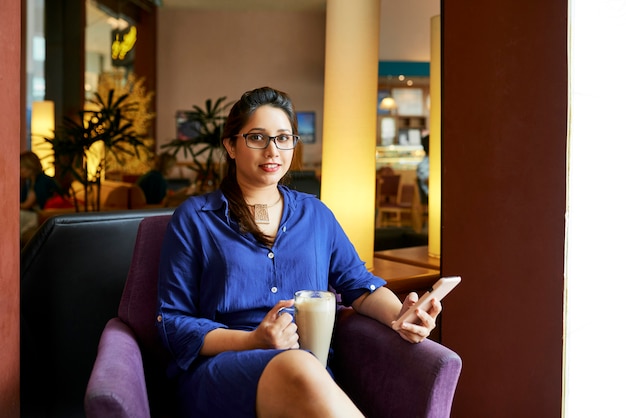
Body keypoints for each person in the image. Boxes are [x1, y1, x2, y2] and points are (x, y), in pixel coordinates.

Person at [156, 87, 442, 417]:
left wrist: (400, 317)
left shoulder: (316, 215)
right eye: (257, 138)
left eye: (283, 138)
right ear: (230, 145)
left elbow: (360, 286)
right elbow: (172, 324)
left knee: (301, 365)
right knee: (298, 364)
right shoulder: (195, 218)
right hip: (223, 373)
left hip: (309, 372)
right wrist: (253, 341)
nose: (272, 150)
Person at [20, 150, 61, 240]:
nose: (20, 170)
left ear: (30, 166)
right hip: (36, 215)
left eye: (21, 167)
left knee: (19, 215)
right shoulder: (28, 182)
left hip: (44, 216)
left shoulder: (42, 181)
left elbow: (26, 205)